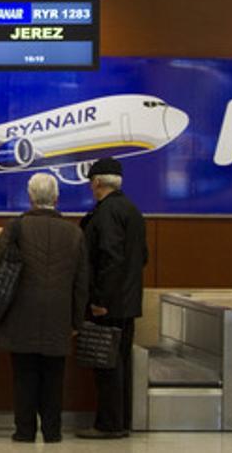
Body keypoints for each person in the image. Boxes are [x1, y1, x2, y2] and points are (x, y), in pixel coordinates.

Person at [0, 173, 88, 444]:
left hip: (21, 311)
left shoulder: (16, 226)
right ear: (56, 198)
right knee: (54, 377)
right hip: (59, 313)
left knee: (24, 375)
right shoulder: (75, 233)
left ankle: (24, 431)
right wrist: (76, 321)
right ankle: (53, 432)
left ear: (30, 197)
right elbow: (81, 282)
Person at [76, 157, 148, 439]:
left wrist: (100, 299)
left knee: (106, 365)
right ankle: (121, 420)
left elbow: (109, 258)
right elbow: (142, 256)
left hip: (108, 303)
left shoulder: (105, 213)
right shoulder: (132, 210)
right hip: (128, 301)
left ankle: (108, 424)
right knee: (120, 361)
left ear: (96, 183)